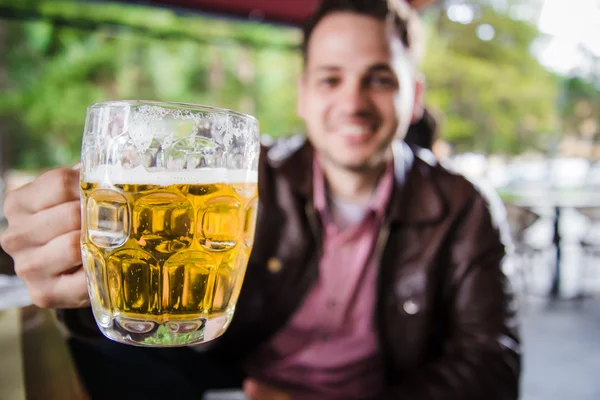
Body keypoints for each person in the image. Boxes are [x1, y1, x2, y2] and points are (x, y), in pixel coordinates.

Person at [0, 0, 521, 399]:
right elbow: (155, 282)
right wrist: (72, 280)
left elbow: (492, 366)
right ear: (302, 95)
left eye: (380, 79)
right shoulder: (241, 178)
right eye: (330, 78)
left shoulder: (463, 204)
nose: (353, 102)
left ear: (415, 98)